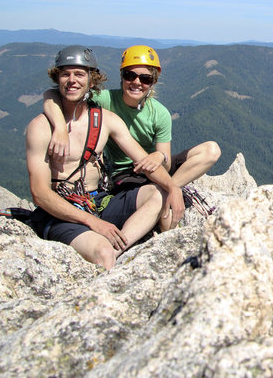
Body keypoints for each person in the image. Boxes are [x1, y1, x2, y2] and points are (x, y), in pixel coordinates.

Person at [27, 45, 184, 269]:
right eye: (65, 74)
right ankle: (108, 254)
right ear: (57, 78)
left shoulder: (106, 121)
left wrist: (173, 188)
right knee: (102, 252)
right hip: (61, 212)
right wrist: (93, 223)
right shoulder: (41, 128)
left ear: (92, 81)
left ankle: (118, 249)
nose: (72, 80)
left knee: (158, 194)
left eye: (80, 74)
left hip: (98, 201)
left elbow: (143, 160)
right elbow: (40, 194)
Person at [43, 44, 220, 229]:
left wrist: (159, 157)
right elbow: (52, 94)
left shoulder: (160, 114)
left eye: (145, 78)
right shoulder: (105, 99)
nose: (136, 82)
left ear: (153, 82)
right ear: (122, 77)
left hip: (153, 167)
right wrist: (60, 128)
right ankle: (166, 195)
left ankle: (169, 190)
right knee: (166, 212)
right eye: (130, 75)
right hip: (125, 174)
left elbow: (165, 164)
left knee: (211, 150)